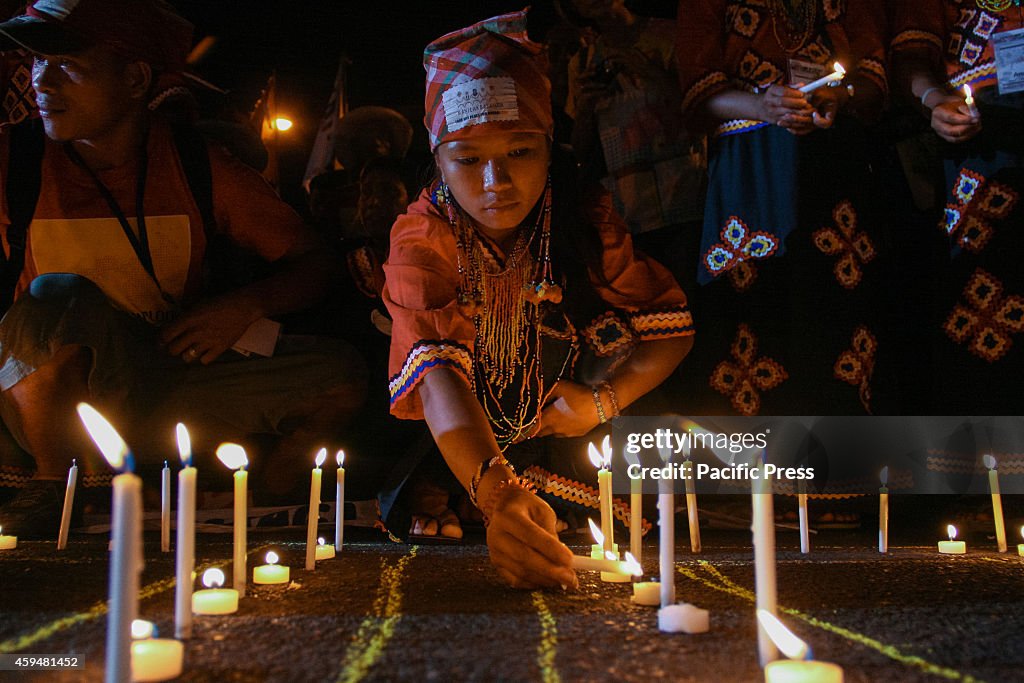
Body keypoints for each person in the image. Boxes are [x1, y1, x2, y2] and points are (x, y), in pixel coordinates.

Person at [0, 0, 366, 536]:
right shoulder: (15, 161)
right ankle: (58, 487)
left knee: (339, 375)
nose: (42, 82)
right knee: (54, 297)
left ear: (134, 78)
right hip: (42, 405)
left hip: (160, 379)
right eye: (36, 62)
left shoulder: (197, 164)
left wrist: (245, 306)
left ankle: (268, 491)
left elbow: (314, 262)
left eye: (67, 65)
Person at [383, 10, 694, 589]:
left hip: (568, 437)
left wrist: (603, 402)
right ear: (438, 162)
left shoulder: (583, 220)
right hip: (467, 448)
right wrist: (500, 497)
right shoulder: (423, 239)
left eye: (520, 152)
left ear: (550, 150)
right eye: (468, 159)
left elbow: (670, 329)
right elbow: (438, 375)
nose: (496, 181)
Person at [674, 0, 897, 420]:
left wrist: (840, 94)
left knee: (837, 312)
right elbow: (697, 93)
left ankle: (845, 474)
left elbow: (874, 79)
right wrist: (761, 106)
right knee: (753, 311)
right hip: (750, 168)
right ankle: (760, 474)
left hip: (834, 161)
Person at [890, 0, 1024, 414]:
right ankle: (994, 470)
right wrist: (935, 100)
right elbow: (910, 58)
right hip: (979, 141)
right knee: (984, 311)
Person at [561, 0, 705, 280]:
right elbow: (579, 148)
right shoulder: (582, 61)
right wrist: (587, 107)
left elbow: (702, 109)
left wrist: (647, 70)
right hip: (631, 207)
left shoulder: (671, 35)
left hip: (688, 190)